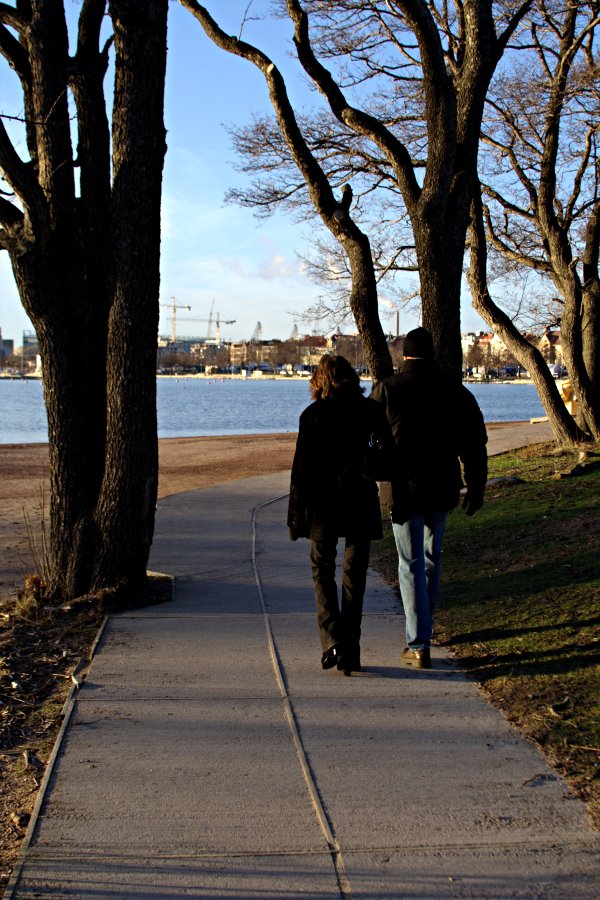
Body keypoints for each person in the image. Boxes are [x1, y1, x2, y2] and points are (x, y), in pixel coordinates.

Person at [371, 326, 488, 669]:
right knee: (431, 556)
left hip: (402, 489)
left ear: (404, 355)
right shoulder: (455, 391)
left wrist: (375, 473)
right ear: (432, 355)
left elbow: (368, 437)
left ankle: (418, 642)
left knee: (410, 563)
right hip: (442, 486)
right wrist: (476, 486)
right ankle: (425, 629)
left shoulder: (387, 390)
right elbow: (474, 444)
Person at [287, 354, 392, 675]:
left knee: (321, 569)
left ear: (320, 380)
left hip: (323, 507)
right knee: (354, 575)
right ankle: (351, 649)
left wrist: (295, 515)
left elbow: (301, 470)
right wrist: (370, 457)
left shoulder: (314, 416)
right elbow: (379, 448)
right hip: (359, 500)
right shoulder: (371, 412)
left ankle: (332, 637)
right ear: (352, 378)